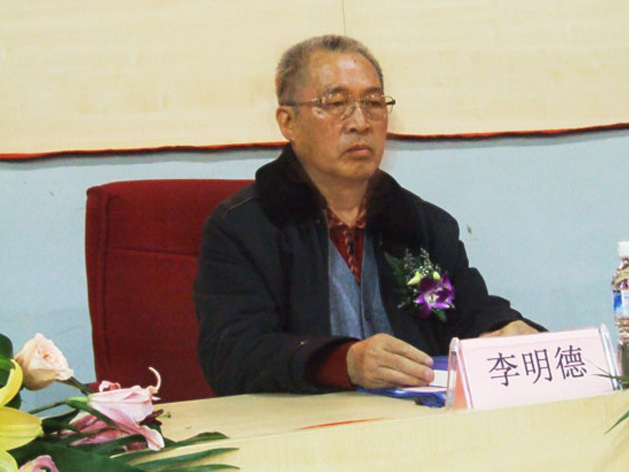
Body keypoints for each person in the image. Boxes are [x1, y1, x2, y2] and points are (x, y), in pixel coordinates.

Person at [194, 35, 542, 396]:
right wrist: (344, 362)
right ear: (288, 122)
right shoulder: (245, 227)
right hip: (304, 422)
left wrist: (503, 328)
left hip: (415, 417)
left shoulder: (417, 224)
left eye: (373, 103)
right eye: (336, 103)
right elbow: (232, 354)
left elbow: (458, 309)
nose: (360, 122)